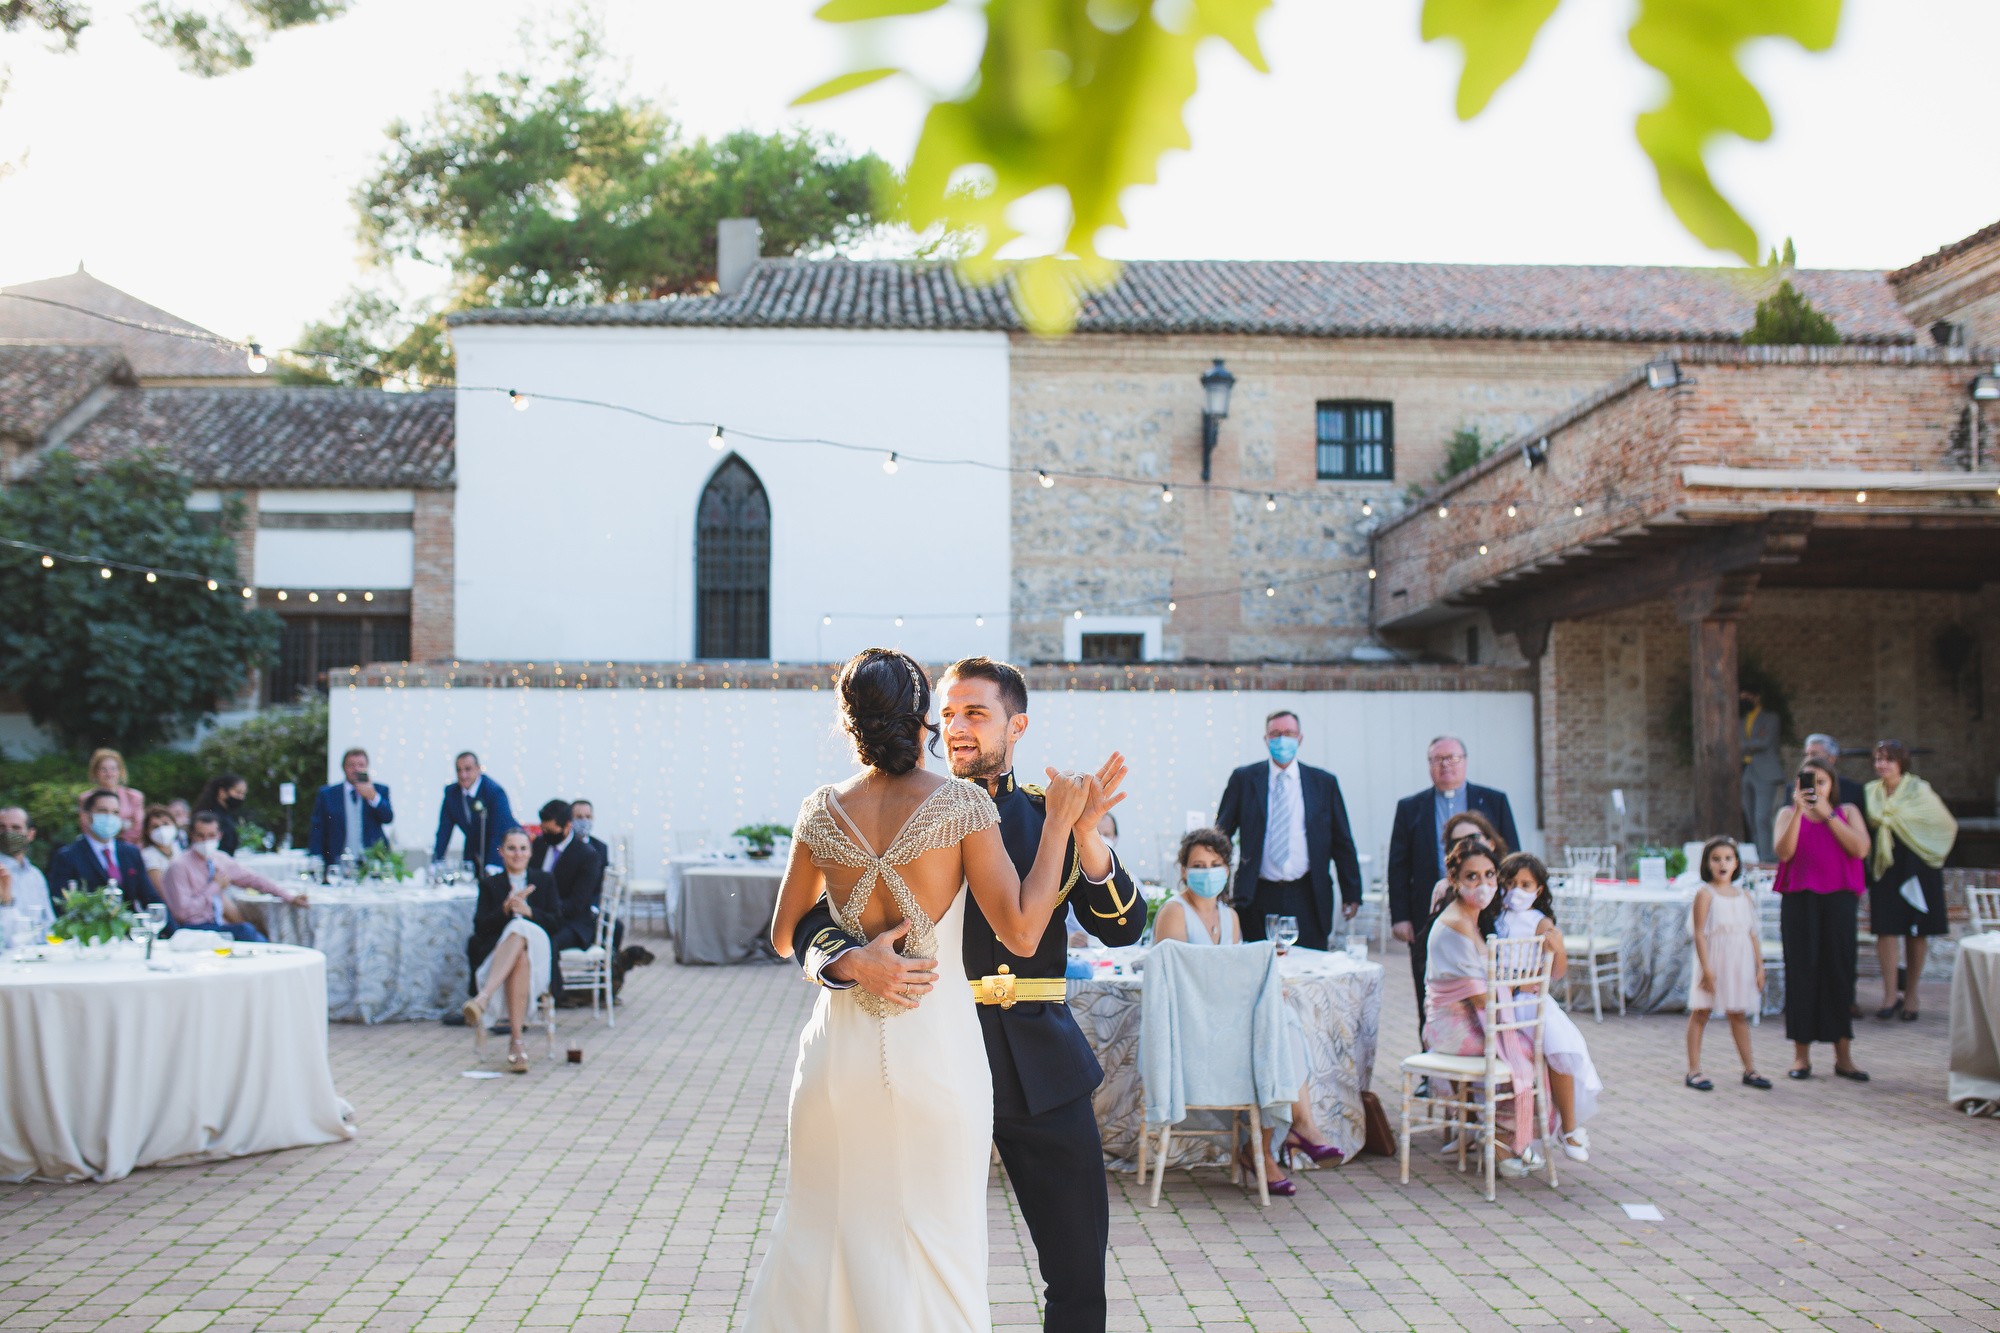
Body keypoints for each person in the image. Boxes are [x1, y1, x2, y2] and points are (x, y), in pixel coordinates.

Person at [783, 653, 1140, 1333]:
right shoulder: (905, 811)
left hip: (1037, 1060)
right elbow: (806, 920)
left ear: (1017, 724)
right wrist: (849, 959)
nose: (959, 727)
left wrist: (1086, 833)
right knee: (910, 1256)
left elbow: (1124, 926)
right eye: (947, 714)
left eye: (976, 712)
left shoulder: (1049, 812)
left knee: (1076, 1270)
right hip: (931, 1048)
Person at [1151, 826, 1344, 1195]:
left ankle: (1269, 1145)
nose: (1207, 871)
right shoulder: (1174, 914)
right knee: (1279, 1028)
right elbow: (1173, 985)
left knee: (1281, 1022)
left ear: (1227, 870)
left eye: (1215, 864)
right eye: (1198, 864)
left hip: (1224, 1026)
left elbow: (1234, 978)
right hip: (1192, 1031)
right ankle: (1287, 1136)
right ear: (1183, 870)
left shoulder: (1230, 918)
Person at [1423, 837, 1542, 1178]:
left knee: (1528, 1046)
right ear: (1455, 879)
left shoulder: (1472, 919)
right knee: (1520, 1050)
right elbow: (1480, 997)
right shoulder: (1456, 924)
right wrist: (1520, 986)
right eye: (1472, 876)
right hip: (1449, 1027)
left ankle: (1504, 1140)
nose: (1484, 884)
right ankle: (1504, 1146)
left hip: (1472, 1021)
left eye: (1490, 875)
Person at [1387, 735, 1520, 1032]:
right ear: (1429, 765)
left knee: (1483, 988)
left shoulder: (1493, 801)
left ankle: (1490, 1056)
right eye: (1438, 759)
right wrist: (1401, 916)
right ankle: (1433, 1065)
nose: (1445, 765)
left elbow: (1510, 855)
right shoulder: (1411, 808)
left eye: (1452, 758)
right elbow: (1398, 865)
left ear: (1465, 761)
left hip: (1484, 915)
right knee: (1431, 992)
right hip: (1430, 915)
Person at [1214, 709, 1363, 952]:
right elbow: (1221, 836)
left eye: (1289, 733)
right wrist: (1217, 885)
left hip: (1308, 894)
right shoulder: (1244, 779)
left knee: (1310, 967)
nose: (1282, 739)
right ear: (1266, 739)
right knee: (1258, 966)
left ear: (1300, 738)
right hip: (1257, 893)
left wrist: (1352, 892)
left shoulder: (1323, 783)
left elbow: (1342, 840)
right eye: (1275, 734)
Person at [1490, 851, 1601, 1160]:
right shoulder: (1493, 916)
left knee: (1560, 1049)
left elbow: (1557, 970)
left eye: (1525, 884)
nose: (1517, 891)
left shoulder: (1541, 922)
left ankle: (1569, 1127)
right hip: (1497, 999)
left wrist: (1556, 946)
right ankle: (1493, 1133)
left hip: (1528, 1000)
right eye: (1511, 883)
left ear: (1538, 890)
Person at [1773, 757, 1871, 1082]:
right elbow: (1783, 852)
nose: (1814, 788)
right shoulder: (1788, 814)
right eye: (1808, 781)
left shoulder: (1849, 812)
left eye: (1821, 782)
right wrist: (1801, 810)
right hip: (1800, 900)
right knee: (1801, 972)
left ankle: (1843, 1056)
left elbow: (1860, 849)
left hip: (1839, 899)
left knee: (1839, 971)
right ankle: (1801, 1057)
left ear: (1832, 785)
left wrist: (1827, 812)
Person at [1862, 740, 1957, 1022]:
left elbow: (1943, 823)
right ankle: (1890, 994)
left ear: (1901, 763)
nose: (1882, 765)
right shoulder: (1870, 792)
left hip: (1918, 863)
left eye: (1889, 759)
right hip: (1886, 864)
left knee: (1917, 931)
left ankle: (1912, 995)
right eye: (1878, 759)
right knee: (1886, 929)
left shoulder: (1919, 789)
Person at [464, 827, 559, 1074]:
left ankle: (483, 997)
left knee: (521, 928)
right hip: (502, 957)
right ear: (502, 852)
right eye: (511, 848)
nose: (517, 854)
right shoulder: (490, 884)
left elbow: (556, 922)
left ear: (530, 852)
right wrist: (504, 910)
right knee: (519, 957)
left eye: (523, 848)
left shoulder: (544, 881)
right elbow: (480, 928)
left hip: (540, 953)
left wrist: (529, 913)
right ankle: (517, 1042)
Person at [1682, 837, 1770, 1092]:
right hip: (1714, 958)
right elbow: (1699, 932)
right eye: (1716, 859)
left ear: (1737, 863)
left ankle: (1750, 1068)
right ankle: (1694, 1070)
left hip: (1739, 959)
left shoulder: (1744, 895)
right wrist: (1706, 968)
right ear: (1707, 863)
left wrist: (1759, 966)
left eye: (1728, 859)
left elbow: (1752, 933)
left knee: (1738, 1013)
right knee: (1701, 1012)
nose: (1722, 864)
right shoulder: (1705, 894)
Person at [159, 812, 306, 938]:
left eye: (211, 836)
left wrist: (288, 896)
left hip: (217, 924)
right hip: (192, 930)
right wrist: (215, 886)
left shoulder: (220, 859)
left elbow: (253, 879)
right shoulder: (179, 866)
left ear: (219, 836)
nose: (205, 841)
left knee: (257, 930)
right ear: (192, 836)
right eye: (200, 836)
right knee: (245, 931)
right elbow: (183, 913)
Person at [46, 789, 155, 905]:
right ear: (86, 817)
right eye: (103, 811)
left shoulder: (131, 852)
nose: (110, 817)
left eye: (115, 812)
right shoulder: (68, 857)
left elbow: (150, 897)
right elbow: (60, 903)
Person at [531, 799, 607, 955]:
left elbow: (577, 904)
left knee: (545, 944)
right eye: (543, 830)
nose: (546, 835)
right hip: (538, 916)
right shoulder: (539, 845)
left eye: (551, 832)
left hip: (570, 922)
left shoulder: (587, 855)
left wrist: (542, 914)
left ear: (567, 826)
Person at [307, 747, 395, 865]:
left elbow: (388, 818)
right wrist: (315, 858)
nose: (356, 769)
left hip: (372, 863)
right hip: (337, 862)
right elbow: (317, 828)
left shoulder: (379, 790)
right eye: (351, 765)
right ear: (344, 767)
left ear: (367, 767)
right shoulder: (327, 794)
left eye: (361, 765)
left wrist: (373, 797)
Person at [433, 752, 515, 876]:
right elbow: (444, 830)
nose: (463, 775)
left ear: (478, 769)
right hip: (472, 851)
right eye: (459, 770)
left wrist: (493, 865)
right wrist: (436, 862)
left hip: (498, 850)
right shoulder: (451, 793)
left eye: (467, 769)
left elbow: (499, 830)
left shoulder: (494, 792)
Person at [1426, 809, 1511, 916]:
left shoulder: (1511, 883)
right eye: (1456, 843)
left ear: (1491, 844)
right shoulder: (1445, 888)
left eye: (1473, 838)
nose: (1468, 846)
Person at [1740, 688, 1784, 855]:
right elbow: (1737, 742)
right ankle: (1756, 855)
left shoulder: (1770, 718)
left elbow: (1764, 742)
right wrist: (1752, 742)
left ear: (1757, 697)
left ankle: (1767, 859)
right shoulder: (1741, 720)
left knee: (1762, 818)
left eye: (1747, 696)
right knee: (1750, 818)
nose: (1744, 699)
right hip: (1747, 770)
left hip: (1765, 772)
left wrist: (1746, 744)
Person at [0, 805, 53, 940]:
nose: (8, 833)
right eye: (2, 827)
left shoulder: (35, 876)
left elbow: (49, 923)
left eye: (16, 828)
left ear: (30, 834)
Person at [78, 748, 145, 844]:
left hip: (129, 847)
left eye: (113, 769)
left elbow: (138, 829)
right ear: (95, 772)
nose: (109, 774)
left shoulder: (134, 796)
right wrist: (123, 825)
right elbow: (87, 828)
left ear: (120, 771)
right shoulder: (86, 798)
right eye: (103, 769)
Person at [193, 773, 250, 856]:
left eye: (243, 794)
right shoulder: (210, 815)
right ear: (222, 792)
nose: (241, 797)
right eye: (238, 792)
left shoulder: (227, 814)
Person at [1803, 734, 1865, 810]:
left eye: (1814, 754)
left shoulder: (1853, 790)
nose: (1808, 759)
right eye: (1806, 755)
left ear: (1831, 759)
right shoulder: (1793, 789)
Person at [139, 804, 181, 896]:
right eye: (155, 827)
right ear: (147, 831)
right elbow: (161, 890)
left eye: (165, 824)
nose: (162, 829)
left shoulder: (178, 848)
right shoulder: (147, 855)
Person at [569, 798, 612, 870]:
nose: (584, 820)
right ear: (570, 819)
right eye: (579, 817)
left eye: (588, 817)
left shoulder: (601, 847)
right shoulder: (562, 845)